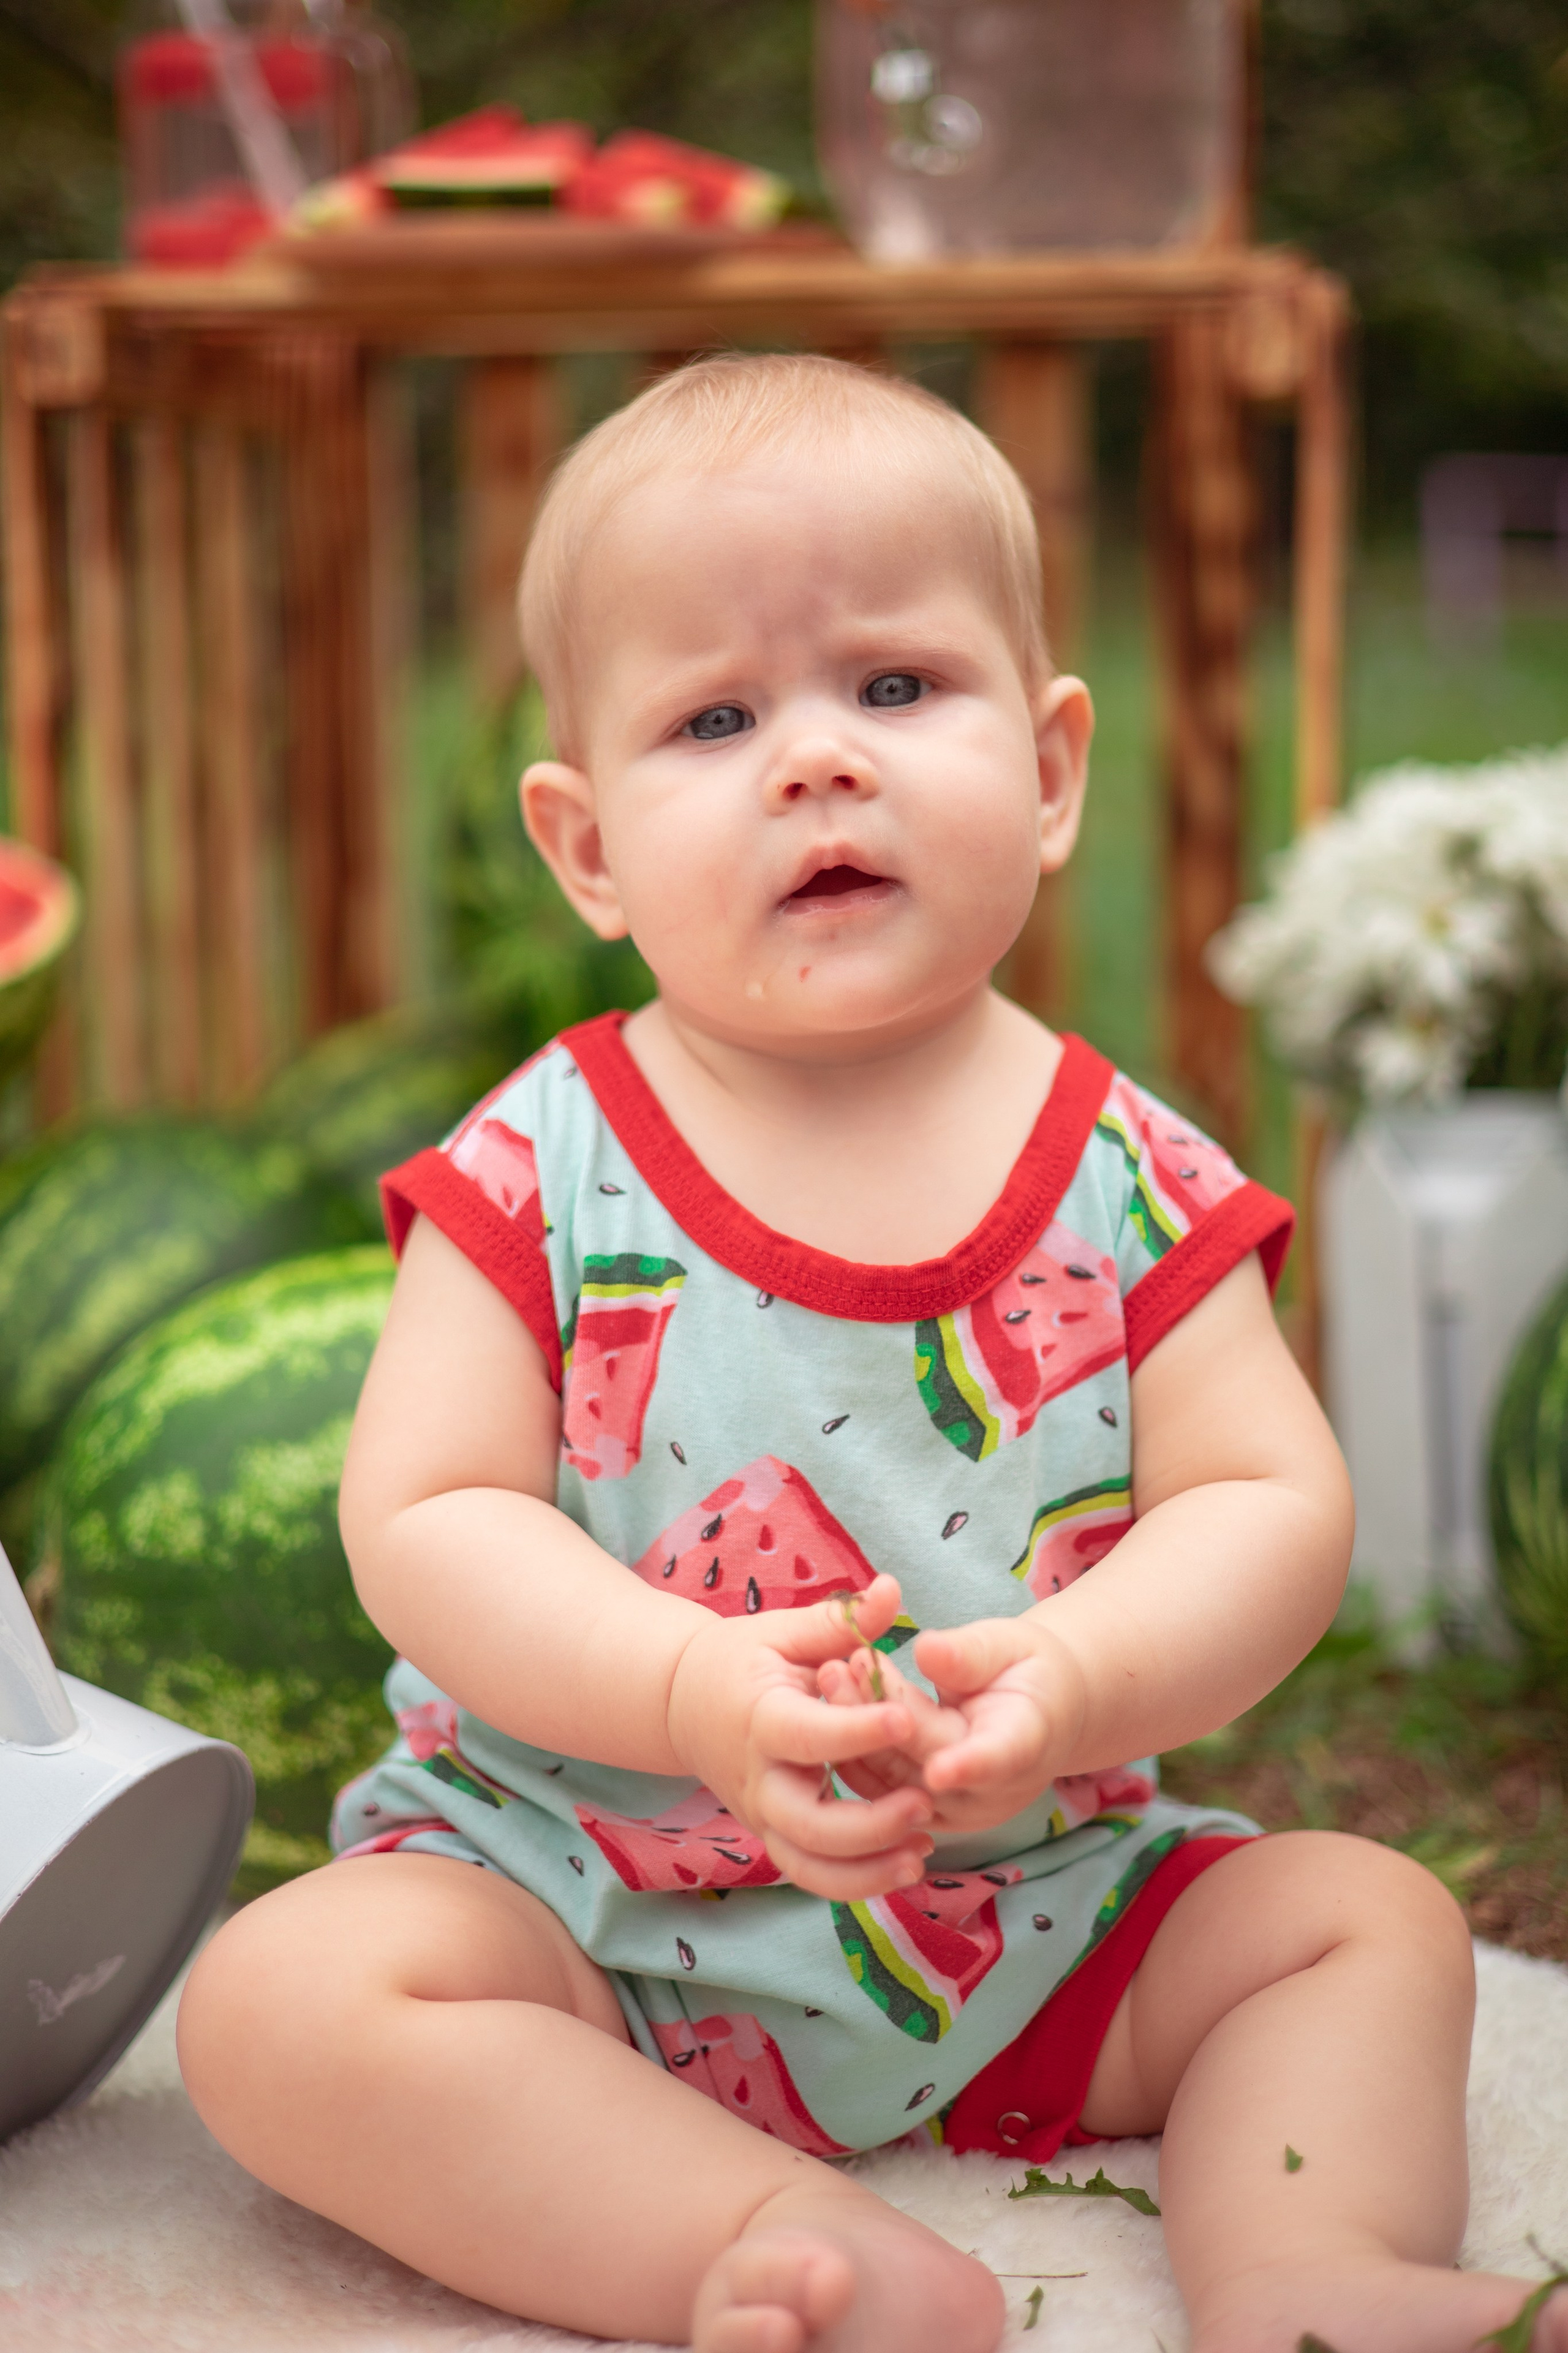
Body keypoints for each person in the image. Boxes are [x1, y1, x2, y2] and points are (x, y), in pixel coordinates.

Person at [178, 355, 1564, 2353]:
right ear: (586, 847)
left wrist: (1078, 1674)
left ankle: (1307, 2271)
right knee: (282, 1998)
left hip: (1038, 1906)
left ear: (1055, 769)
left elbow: (1271, 1505)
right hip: (584, 1906)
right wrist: (689, 1685)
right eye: (715, 718)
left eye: (897, 686)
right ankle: (745, 2239)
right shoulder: (539, 1159)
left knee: (1362, 1922)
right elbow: (429, 1512)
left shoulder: (1131, 1174)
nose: (817, 760)